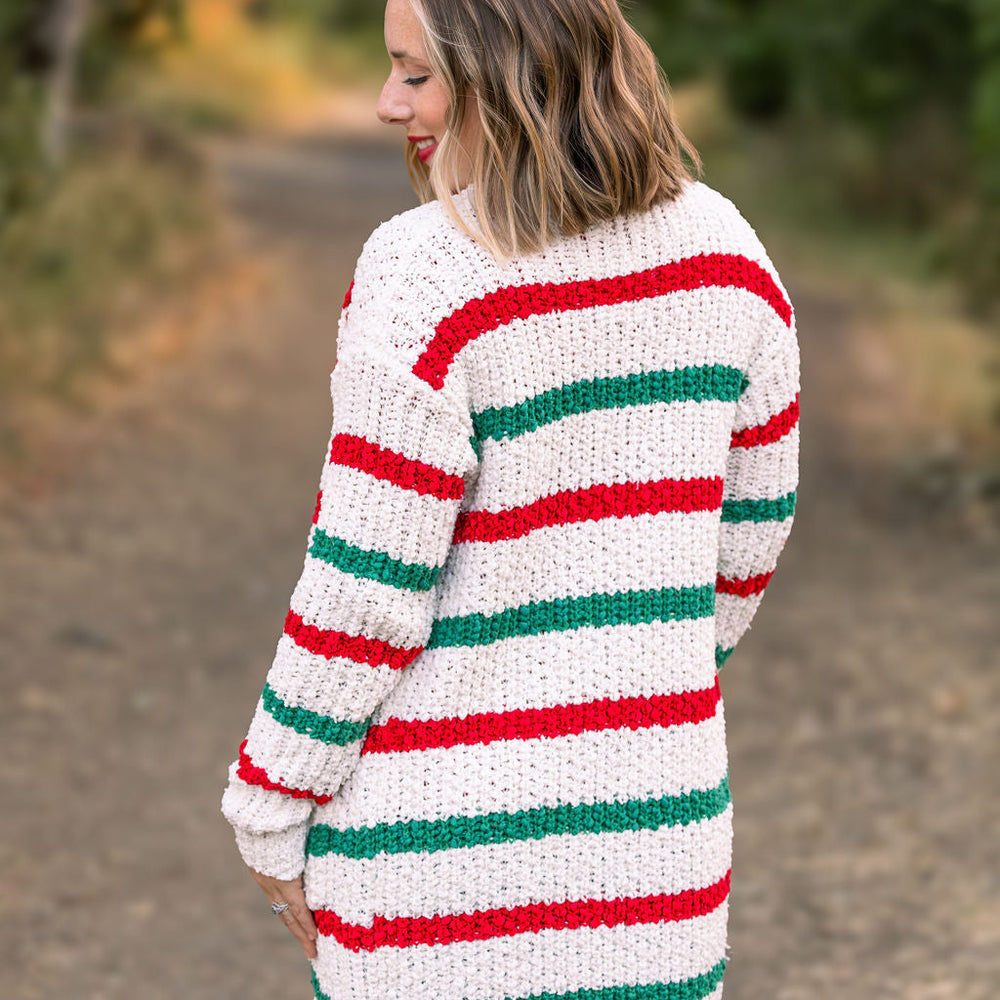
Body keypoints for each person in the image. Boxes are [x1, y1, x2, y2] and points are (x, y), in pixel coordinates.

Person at [220, 0, 800, 997]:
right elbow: (745, 542)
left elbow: (363, 589)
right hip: (654, 863)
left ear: (506, 77)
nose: (383, 103)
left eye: (413, 73)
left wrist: (270, 801)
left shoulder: (422, 275)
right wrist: (624, 681)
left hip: (433, 880)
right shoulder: (727, 257)